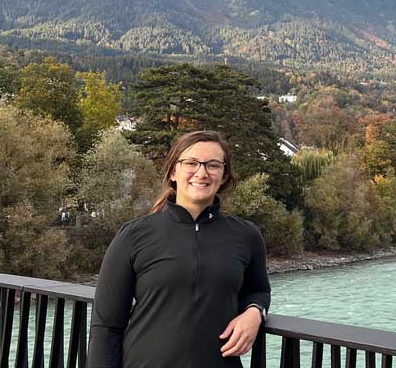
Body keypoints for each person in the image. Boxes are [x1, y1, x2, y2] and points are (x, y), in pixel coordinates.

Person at [89, 130, 271, 368]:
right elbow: (106, 326)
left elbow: (259, 290)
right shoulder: (133, 236)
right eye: (191, 163)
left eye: (213, 165)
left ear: (224, 175)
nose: (202, 172)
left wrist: (255, 313)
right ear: (173, 171)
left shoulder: (246, 235)